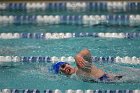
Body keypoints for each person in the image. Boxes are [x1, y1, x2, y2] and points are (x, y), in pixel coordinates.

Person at [53, 49, 123, 82]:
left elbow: (86, 51)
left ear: (68, 64)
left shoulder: (79, 68)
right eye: (61, 71)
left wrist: (78, 56)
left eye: (63, 66)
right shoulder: (76, 75)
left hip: (117, 80)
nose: (64, 69)